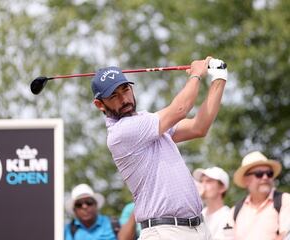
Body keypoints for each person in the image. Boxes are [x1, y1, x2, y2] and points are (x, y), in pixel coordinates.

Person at [91, 56, 227, 239]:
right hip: (164, 232)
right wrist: (196, 75)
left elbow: (198, 127)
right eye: (114, 96)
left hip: (198, 228)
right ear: (100, 104)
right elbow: (180, 109)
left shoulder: (148, 123)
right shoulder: (121, 132)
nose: (124, 99)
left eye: (125, 90)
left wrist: (219, 77)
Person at [223, 151, 290, 240]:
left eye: (269, 173)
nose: (265, 177)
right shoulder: (235, 211)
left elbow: (285, 236)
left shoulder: (286, 201)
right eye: (259, 174)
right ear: (246, 180)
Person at [193, 167, 231, 239]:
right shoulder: (199, 214)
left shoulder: (228, 216)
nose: (203, 185)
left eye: (208, 181)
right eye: (201, 181)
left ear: (222, 188)